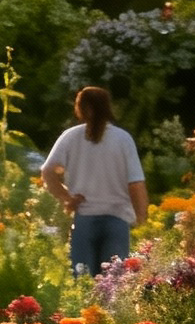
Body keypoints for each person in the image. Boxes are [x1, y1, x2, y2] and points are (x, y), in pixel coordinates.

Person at [43, 87, 150, 277]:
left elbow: (48, 172)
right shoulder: (122, 139)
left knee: (83, 281)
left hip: (84, 220)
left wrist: (67, 198)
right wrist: (141, 218)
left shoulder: (70, 137)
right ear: (107, 107)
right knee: (113, 283)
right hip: (117, 220)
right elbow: (135, 184)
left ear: (80, 108)